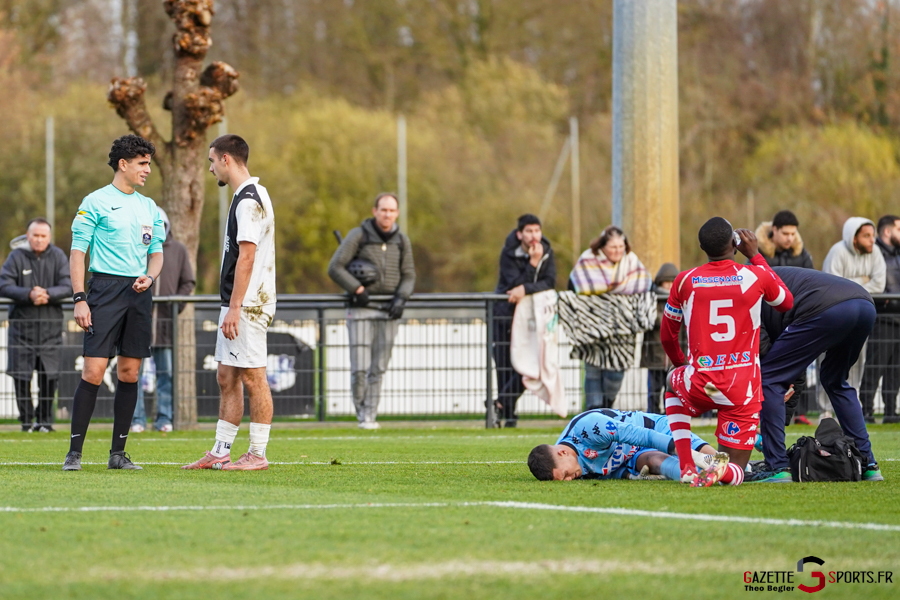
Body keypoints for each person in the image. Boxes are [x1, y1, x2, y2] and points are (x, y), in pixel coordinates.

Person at [662, 218, 793, 487]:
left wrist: (681, 366)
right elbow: (785, 302)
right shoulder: (755, 275)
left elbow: (667, 335)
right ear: (735, 243)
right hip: (742, 390)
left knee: (670, 383)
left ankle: (687, 466)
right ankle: (723, 471)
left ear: (701, 247)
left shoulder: (685, 280)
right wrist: (755, 255)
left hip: (702, 382)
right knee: (735, 468)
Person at [62, 134, 165, 471]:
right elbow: (78, 253)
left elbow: (156, 253)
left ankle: (117, 455)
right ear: (123, 164)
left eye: (149, 163)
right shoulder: (94, 201)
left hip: (138, 293)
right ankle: (74, 453)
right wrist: (80, 298)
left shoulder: (149, 206)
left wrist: (150, 277)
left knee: (130, 372)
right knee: (93, 371)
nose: (148, 169)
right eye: (142, 163)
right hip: (103, 290)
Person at [183, 135, 277, 470]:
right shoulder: (245, 195)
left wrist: (235, 307)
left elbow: (247, 257)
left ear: (226, 159)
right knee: (226, 376)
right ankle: (220, 451)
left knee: (253, 376)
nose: (210, 169)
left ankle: (257, 454)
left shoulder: (249, 201)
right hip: (236, 303)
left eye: (212, 161)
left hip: (248, 305)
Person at [751, 266, 882, 482]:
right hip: (865, 305)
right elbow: (794, 370)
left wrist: (770, 430)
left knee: (769, 378)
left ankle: (777, 466)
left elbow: (766, 357)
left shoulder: (742, 290)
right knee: (835, 381)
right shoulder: (756, 278)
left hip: (825, 307)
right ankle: (868, 464)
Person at [327, 193, 415, 429]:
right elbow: (335, 267)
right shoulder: (359, 235)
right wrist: (357, 288)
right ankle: (361, 412)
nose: (387, 214)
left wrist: (401, 298)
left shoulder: (402, 240)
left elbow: (409, 274)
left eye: (392, 210)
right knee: (360, 367)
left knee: (378, 368)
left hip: (389, 312)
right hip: (360, 310)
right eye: (383, 210)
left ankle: (370, 415)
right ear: (375, 211)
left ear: (397, 213)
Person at [567, 225, 652, 410]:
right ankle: (593, 411)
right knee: (593, 372)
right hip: (592, 330)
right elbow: (574, 285)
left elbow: (645, 284)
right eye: (613, 247)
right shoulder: (588, 259)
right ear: (603, 246)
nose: (618, 251)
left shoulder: (632, 261)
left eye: (621, 247)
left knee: (615, 374)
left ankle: (607, 407)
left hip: (622, 331)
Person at [0, 218, 72, 432]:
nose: (39, 239)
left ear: (49, 237)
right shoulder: (15, 257)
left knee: (49, 378)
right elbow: (4, 285)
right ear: (28, 236)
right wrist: (29, 294)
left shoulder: (58, 256)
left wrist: (47, 294)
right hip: (21, 330)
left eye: (43, 236)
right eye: (35, 235)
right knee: (21, 377)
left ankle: (44, 422)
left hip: (50, 331)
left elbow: (68, 285)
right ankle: (27, 422)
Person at [130, 207, 195, 433]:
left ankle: (164, 419)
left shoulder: (178, 250)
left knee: (165, 373)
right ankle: (136, 420)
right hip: (138, 322)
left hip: (166, 326)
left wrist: (176, 306)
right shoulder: (136, 246)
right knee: (133, 373)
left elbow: (188, 282)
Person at [489, 214, 555, 427]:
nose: (534, 235)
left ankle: (501, 403)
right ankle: (508, 415)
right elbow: (513, 285)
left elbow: (549, 282)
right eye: (529, 231)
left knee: (529, 365)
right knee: (504, 367)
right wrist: (532, 264)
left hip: (532, 319)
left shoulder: (547, 251)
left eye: (537, 230)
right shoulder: (509, 252)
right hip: (504, 316)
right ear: (520, 234)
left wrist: (526, 288)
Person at [527, 408, 715, 481]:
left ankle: (723, 464)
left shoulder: (590, 428)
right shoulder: (573, 466)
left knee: (711, 456)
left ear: (562, 453)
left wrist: (691, 455)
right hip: (632, 457)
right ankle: (701, 477)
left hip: (651, 429)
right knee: (655, 462)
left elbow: (646, 436)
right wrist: (630, 476)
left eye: (565, 475)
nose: (569, 480)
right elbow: (604, 470)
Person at [754, 210, 816, 425]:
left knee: (800, 369)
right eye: (786, 233)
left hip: (793, 318)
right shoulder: (757, 253)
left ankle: (795, 415)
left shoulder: (802, 255)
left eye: (793, 233)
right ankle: (761, 414)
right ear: (775, 231)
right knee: (767, 368)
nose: (790, 238)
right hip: (765, 320)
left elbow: (811, 283)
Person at [821, 217, 885, 419]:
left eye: (873, 235)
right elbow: (831, 284)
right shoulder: (837, 252)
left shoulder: (876, 253)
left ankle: (849, 405)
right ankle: (826, 410)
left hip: (860, 320)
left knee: (857, 361)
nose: (872, 240)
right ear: (853, 237)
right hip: (834, 318)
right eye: (866, 236)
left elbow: (879, 285)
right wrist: (861, 281)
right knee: (829, 360)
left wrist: (848, 284)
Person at [859, 215, 900, 424]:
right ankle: (866, 410)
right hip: (882, 317)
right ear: (887, 231)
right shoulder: (873, 254)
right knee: (875, 367)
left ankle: (891, 411)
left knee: (895, 370)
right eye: (899, 229)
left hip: (898, 317)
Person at [640, 263, 679, 414]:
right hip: (655, 355)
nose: (669, 286)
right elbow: (652, 319)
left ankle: (668, 416)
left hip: (673, 357)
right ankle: (653, 415)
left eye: (672, 282)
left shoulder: (679, 299)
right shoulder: (652, 300)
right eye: (666, 282)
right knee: (654, 391)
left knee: (670, 391)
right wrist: (671, 317)